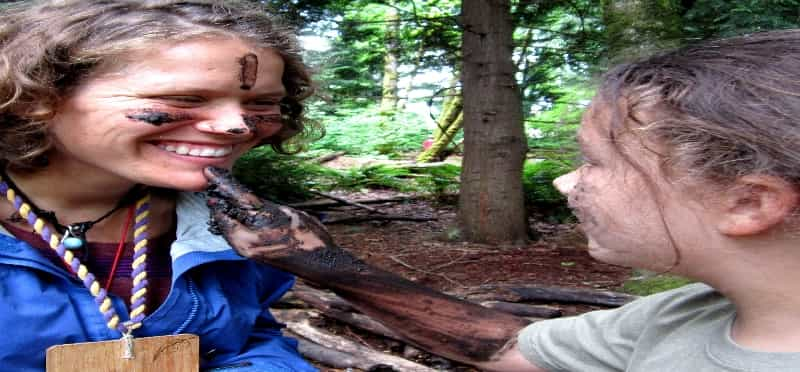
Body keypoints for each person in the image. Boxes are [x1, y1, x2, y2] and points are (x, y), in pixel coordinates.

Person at [205, 29, 800, 371]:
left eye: (595, 162)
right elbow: (509, 346)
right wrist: (325, 266)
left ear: (748, 203)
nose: (568, 183)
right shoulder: (690, 316)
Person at [0, 0, 319, 370]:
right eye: (184, 98)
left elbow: (244, 338)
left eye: (263, 102)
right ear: (33, 98)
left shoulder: (226, 226)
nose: (238, 126)